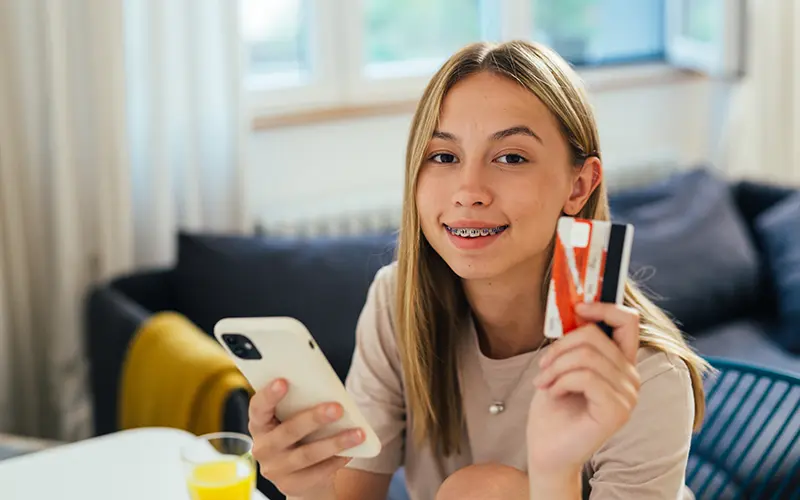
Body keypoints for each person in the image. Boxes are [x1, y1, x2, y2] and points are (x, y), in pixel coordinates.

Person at [247, 40, 711, 500]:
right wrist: (309, 489)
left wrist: (555, 474)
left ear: (579, 185)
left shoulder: (649, 377)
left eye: (511, 157)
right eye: (444, 157)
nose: (469, 191)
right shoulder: (397, 303)